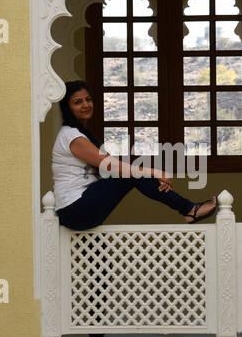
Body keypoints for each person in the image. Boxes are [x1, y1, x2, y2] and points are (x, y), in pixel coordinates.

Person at [51, 80, 217, 232]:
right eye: (78, 102)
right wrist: (154, 172)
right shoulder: (71, 136)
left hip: (80, 207)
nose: (86, 105)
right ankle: (188, 209)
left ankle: (188, 209)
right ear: (68, 108)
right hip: (74, 210)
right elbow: (110, 166)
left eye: (88, 99)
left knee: (98, 261)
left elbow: (111, 166)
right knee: (130, 174)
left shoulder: (79, 133)